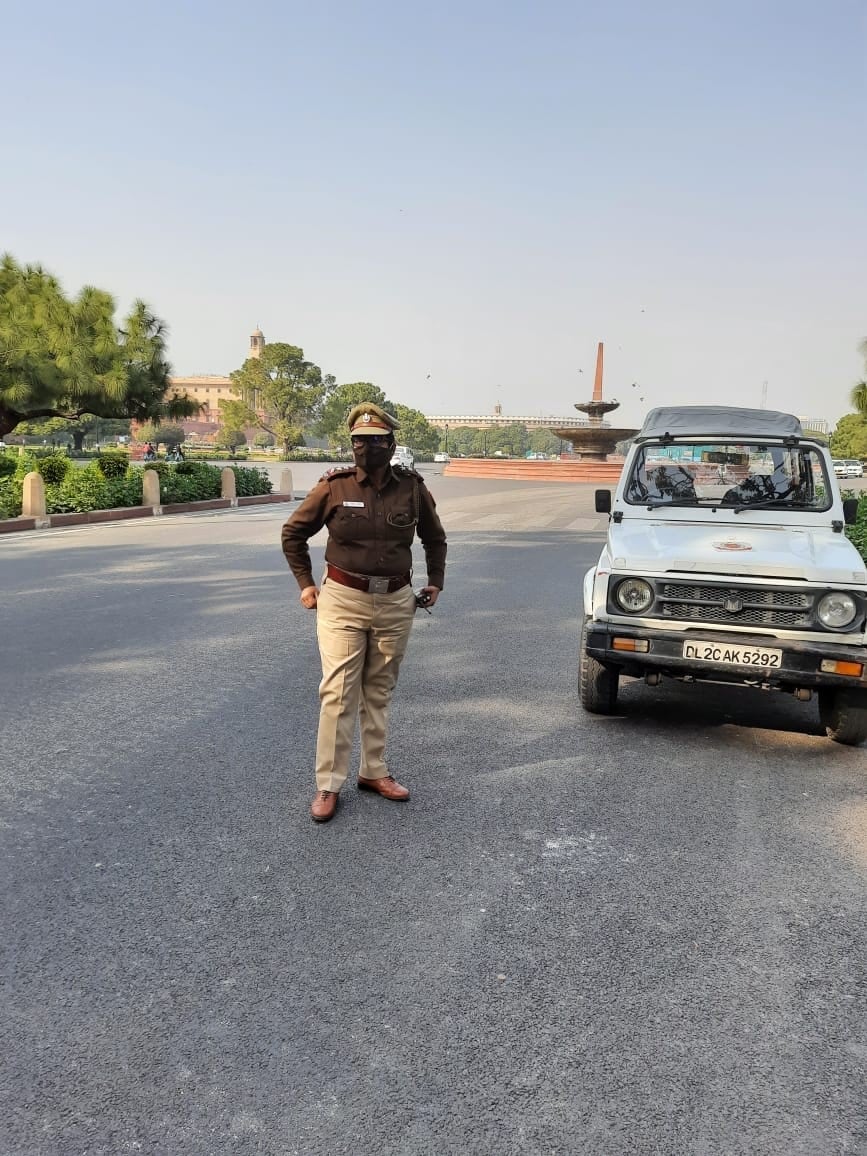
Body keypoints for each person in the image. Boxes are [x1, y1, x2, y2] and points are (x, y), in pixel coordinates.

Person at [281, 403, 447, 823]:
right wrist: (305, 584)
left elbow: (434, 538)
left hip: (394, 600)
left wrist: (436, 581)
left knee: (379, 689)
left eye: (375, 441)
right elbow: (293, 533)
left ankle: (373, 771)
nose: (366, 448)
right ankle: (328, 783)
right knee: (337, 692)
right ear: (351, 445)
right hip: (342, 600)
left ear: (390, 445)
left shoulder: (410, 488)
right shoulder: (333, 487)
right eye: (359, 441)